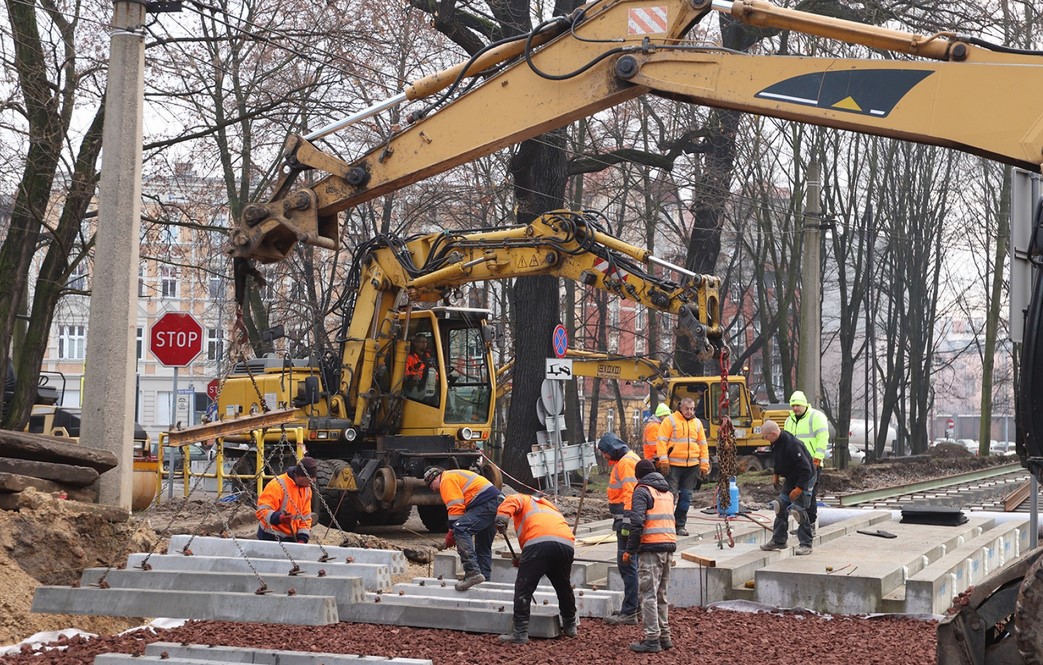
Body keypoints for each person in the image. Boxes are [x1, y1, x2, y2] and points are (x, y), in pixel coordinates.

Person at [495, 493, 578, 644]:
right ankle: (570, 626)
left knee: (523, 588)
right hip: (566, 544)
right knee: (563, 586)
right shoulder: (549, 507)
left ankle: (520, 633)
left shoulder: (523, 498)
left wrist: (502, 517)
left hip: (539, 543)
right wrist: (525, 560)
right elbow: (546, 542)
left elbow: (512, 500)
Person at [624, 458, 676, 653]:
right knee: (661, 594)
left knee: (648, 595)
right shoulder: (667, 493)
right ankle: (665, 636)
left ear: (639, 476)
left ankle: (652, 639)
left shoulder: (642, 490)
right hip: (668, 547)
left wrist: (630, 550)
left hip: (651, 550)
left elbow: (636, 523)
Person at [424, 466, 504, 591]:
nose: (434, 490)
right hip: (495, 504)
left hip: (486, 504)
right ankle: (483, 583)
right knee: (482, 547)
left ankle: (472, 573)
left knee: (461, 529)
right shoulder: (454, 476)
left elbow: (456, 508)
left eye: (431, 486)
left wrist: (452, 533)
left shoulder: (446, 479)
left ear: (435, 477)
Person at [597, 433, 641, 625]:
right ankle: (633, 608)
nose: (605, 457)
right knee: (630, 566)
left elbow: (630, 493)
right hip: (625, 520)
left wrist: (627, 523)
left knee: (627, 565)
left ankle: (630, 611)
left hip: (626, 521)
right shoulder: (626, 460)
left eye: (605, 453)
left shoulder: (626, 463)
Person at [759, 420, 815, 555]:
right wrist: (776, 474)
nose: (765, 439)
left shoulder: (793, 445)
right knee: (780, 505)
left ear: (773, 433)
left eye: (766, 436)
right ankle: (779, 540)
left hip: (805, 478)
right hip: (791, 477)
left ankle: (806, 544)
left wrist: (799, 489)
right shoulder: (776, 443)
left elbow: (806, 470)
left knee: (798, 511)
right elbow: (778, 459)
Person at [657, 396, 708, 537]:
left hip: (692, 466)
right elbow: (661, 441)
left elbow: (703, 445)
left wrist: (704, 465)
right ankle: (666, 524)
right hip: (673, 465)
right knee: (670, 497)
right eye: (687, 409)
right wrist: (664, 461)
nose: (689, 412)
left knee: (686, 497)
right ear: (681, 407)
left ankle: (680, 524)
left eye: (692, 409)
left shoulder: (697, 424)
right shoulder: (670, 421)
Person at [784, 390, 829, 532]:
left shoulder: (816, 417)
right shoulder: (789, 420)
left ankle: (810, 526)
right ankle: (803, 526)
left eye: (797, 405)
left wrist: (817, 459)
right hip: (795, 466)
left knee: (810, 495)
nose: (795, 408)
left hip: (811, 464)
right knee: (798, 495)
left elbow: (823, 438)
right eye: (793, 405)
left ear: (804, 404)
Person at [255, 456, 317, 544]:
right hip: (270, 537)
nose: (314, 481)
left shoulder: (307, 489)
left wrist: (302, 539)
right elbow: (262, 511)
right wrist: (279, 518)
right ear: (301, 477)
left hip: (291, 538)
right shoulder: (277, 485)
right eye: (311, 478)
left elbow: (305, 518)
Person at [405, 333, 438, 403]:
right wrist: (413, 376)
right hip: (414, 387)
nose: (424, 344)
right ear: (415, 343)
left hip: (427, 384)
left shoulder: (428, 357)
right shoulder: (410, 358)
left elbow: (433, 371)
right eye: (422, 342)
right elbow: (404, 374)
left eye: (425, 342)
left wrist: (438, 379)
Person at [644, 404, 672, 469]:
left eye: (668, 416)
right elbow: (653, 446)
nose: (667, 418)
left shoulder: (657, 425)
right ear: (660, 416)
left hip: (655, 460)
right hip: (654, 461)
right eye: (665, 415)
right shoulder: (654, 426)